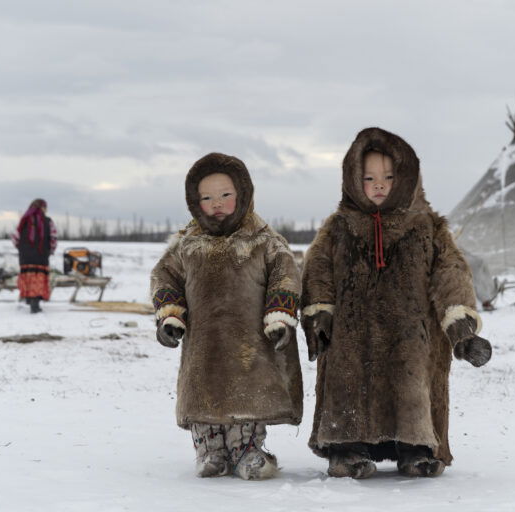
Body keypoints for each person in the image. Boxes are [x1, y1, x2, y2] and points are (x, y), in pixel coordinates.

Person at [300, 127, 492, 479]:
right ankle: (346, 450)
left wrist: (462, 329)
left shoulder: (427, 227)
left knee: (412, 386)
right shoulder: (339, 226)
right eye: (369, 177)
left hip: (410, 334)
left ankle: (415, 450)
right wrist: (319, 316)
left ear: (406, 177)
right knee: (347, 386)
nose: (379, 185)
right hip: (350, 335)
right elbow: (318, 271)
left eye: (389, 176)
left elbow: (451, 274)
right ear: (352, 178)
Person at [150, 153, 303, 480]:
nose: (216, 203)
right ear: (194, 201)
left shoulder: (263, 240)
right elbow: (165, 277)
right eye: (206, 197)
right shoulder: (187, 244)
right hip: (204, 344)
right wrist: (170, 315)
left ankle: (247, 449)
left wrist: (279, 315)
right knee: (204, 396)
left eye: (225, 195)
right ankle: (210, 449)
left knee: (248, 395)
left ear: (243, 195)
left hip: (250, 345)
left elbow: (285, 275)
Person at [11, 199, 57, 313]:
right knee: (39, 278)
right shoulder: (48, 221)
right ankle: (35, 302)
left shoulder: (24, 220)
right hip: (41, 256)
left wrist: (21, 248)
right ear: (42, 208)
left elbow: (15, 237)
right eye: (45, 207)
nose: (46, 210)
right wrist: (51, 250)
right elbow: (53, 238)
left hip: (25, 256)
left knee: (28, 277)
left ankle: (29, 298)